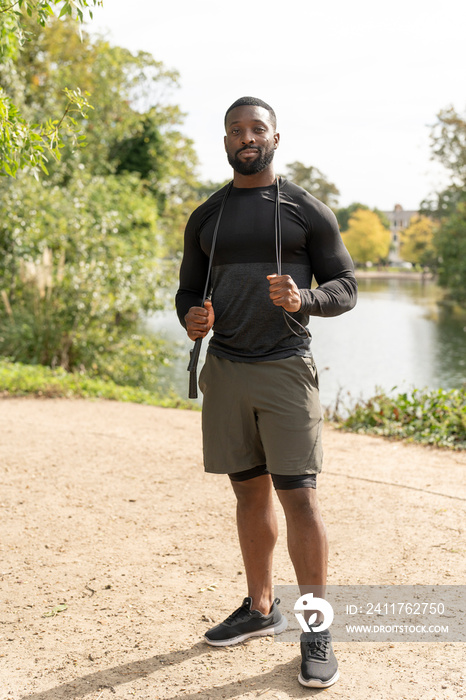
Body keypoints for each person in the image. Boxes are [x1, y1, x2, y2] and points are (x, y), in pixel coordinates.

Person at [175, 96, 357, 689]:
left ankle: (315, 628)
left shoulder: (306, 211)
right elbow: (186, 293)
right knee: (247, 495)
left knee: (298, 499)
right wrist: (191, 321)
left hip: (284, 368)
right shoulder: (207, 217)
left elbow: (346, 287)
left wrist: (306, 300)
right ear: (225, 140)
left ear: (276, 135)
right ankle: (260, 609)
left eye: (256, 128)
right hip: (225, 369)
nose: (245, 137)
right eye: (235, 130)